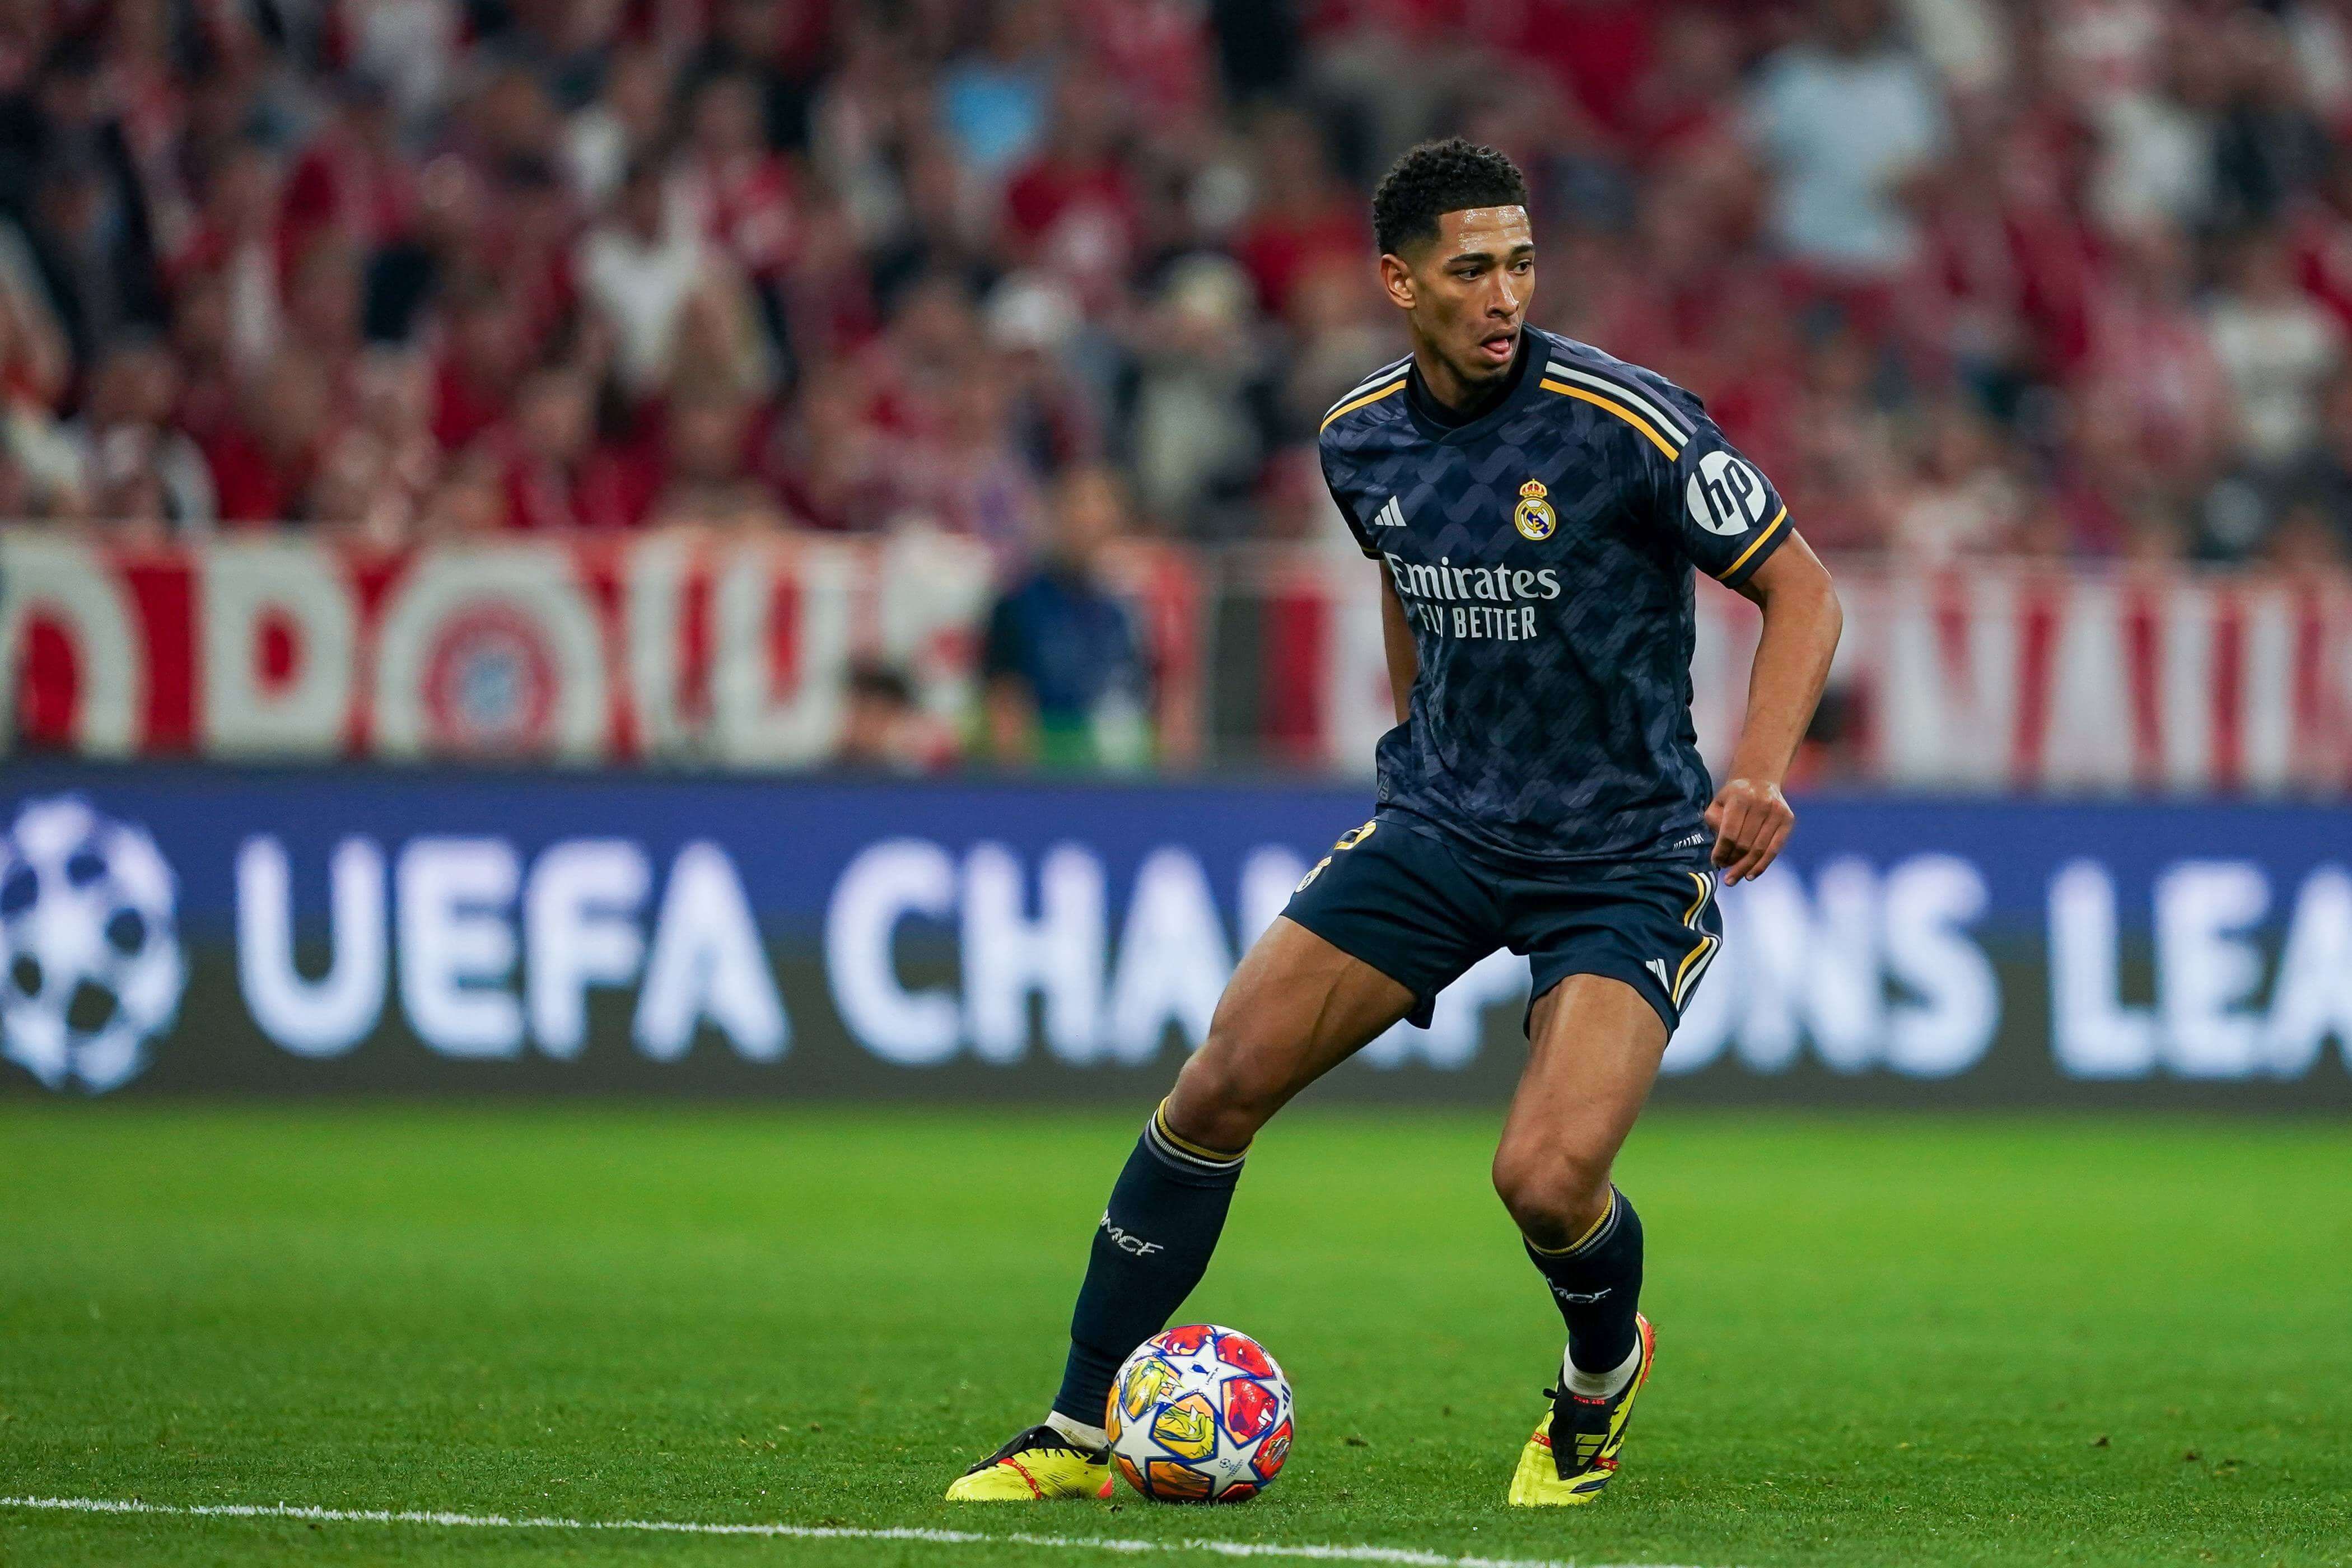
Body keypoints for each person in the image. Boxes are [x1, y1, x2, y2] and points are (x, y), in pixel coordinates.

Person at [946, 139, 1842, 1507]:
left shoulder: (1627, 422)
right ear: (1400, 281)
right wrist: (1418, 746)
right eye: (1473, 269)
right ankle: (1076, 1426)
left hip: (1622, 849)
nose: (1506, 294)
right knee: (1219, 1080)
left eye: (1522, 264)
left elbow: (1804, 589)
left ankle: (1601, 1371)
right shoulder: (1358, 436)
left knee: (1545, 1178)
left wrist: (1760, 773)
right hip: (1444, 826)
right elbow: (1403, 567)